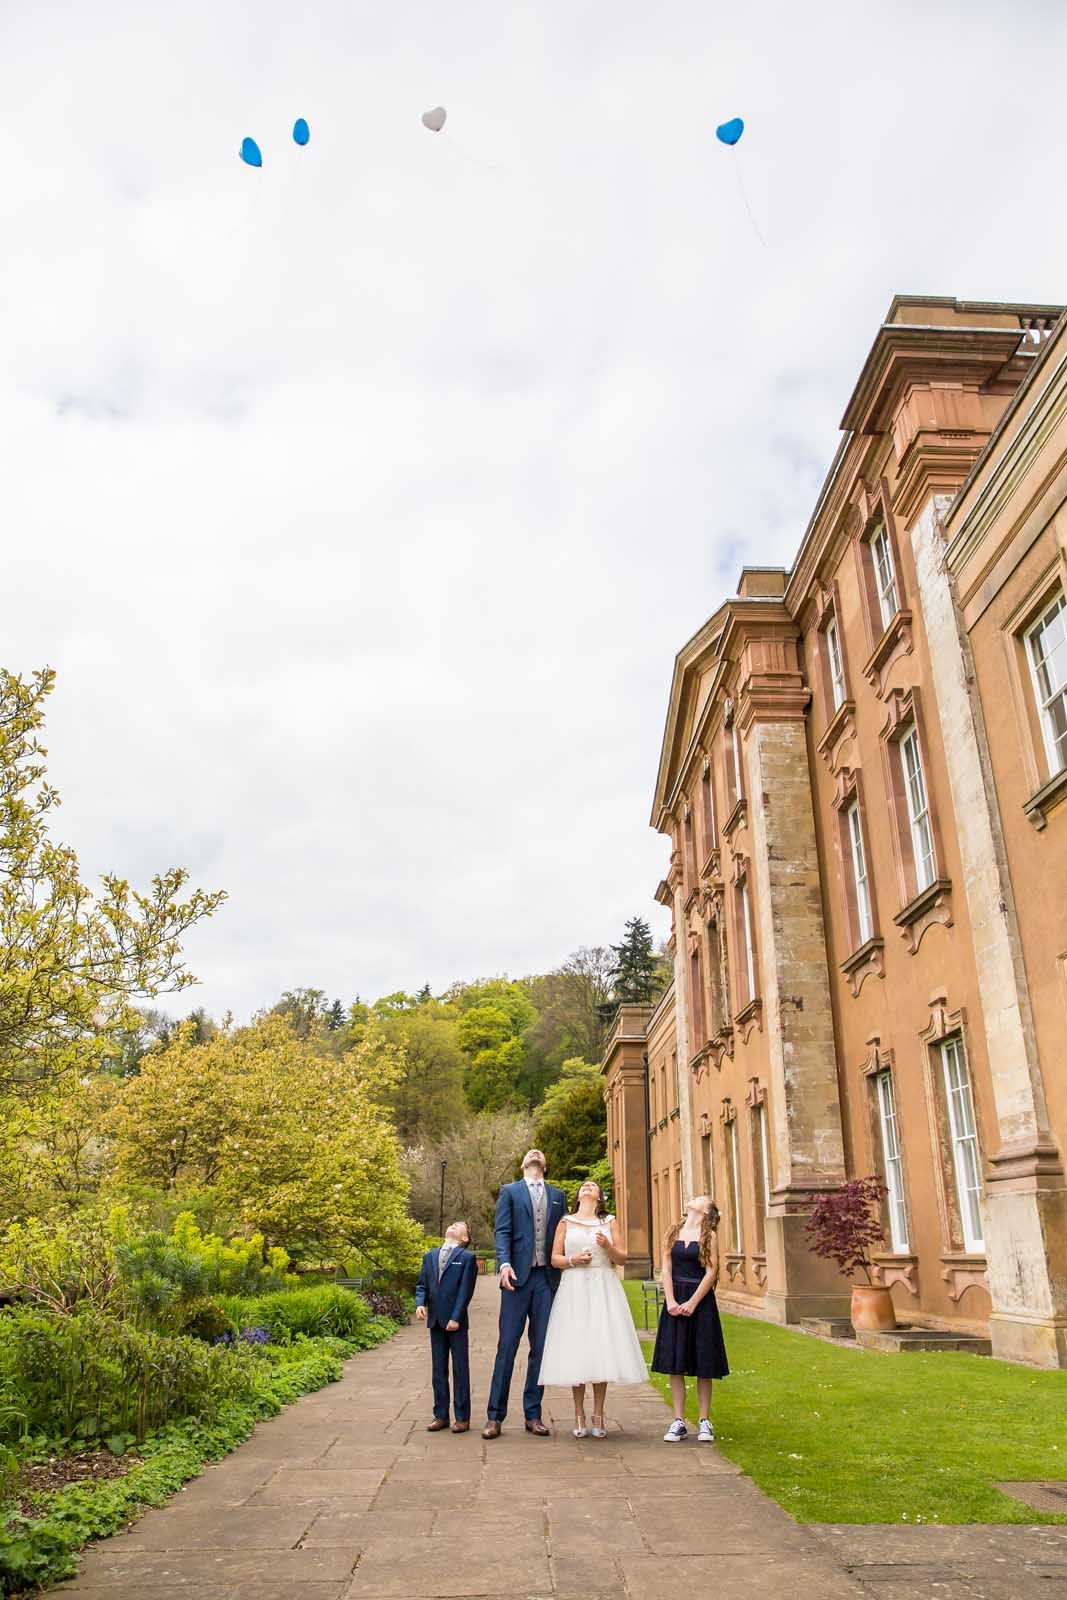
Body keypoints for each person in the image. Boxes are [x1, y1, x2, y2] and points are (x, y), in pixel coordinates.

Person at [537, 1179, 647, 1437]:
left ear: (599, 1197)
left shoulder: (609, 1221)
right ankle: (578, 1414)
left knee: (600, 1348)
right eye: (583, 1186)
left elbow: (622, 1258)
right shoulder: (565, 1221)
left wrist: (607, 1246)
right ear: (578, 1196)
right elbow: (554, 1259)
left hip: (602, 1286)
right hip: (575, 1287)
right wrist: (573, 1260)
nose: (587, 1187)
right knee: (577, 1348)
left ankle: (598, 1414)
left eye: (592, 1186)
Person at [482, 1148, 567, 1439]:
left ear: (545, 1164)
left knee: (541, 1349)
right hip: (516, 1280)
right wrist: (504, 1263)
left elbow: (563, 1236)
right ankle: (495, 1417)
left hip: (546, 1280)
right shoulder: (510, 1192)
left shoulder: (558, 1195)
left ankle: (534, 1414)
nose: (535, 1153)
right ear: (522, 1165)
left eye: (540, 1153)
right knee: (507, 1346)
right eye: (530, 1153)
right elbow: (502, 1231)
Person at [650, 1194, 729, 1443]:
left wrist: (693, 1302)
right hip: (675, 1298)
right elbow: (666, 1267)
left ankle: (705, 1421)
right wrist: (671, 1301)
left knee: (703, 1362)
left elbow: (712, 1271)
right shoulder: (673, 1231)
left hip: (700, 1301)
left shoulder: (710, 1236)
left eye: (700, 1199)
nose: (693, 1200)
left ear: (706, 1211)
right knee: (676, 1362)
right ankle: (678, 1421)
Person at [414, 1219, 478, 1433]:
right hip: (435, 1321)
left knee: (460, 1369)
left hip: (456, 1322)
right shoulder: (429, 1255)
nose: (453, 1226)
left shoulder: (467, 1258)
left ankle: (462, 1417)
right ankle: (440, 1415)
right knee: (438, 1370)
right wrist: (420, 1304)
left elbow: (465, 1291)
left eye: (459, 1226)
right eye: (452, 1224)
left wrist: (456, 1317)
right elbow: (422, 1284)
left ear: (464, 1238)